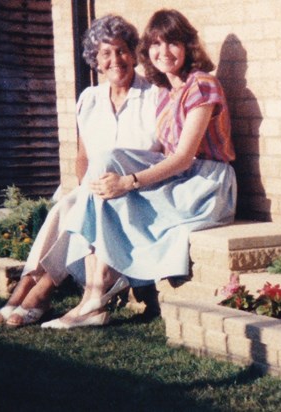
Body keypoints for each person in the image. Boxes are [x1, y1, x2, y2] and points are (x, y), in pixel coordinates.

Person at [40, 8, 237, 329]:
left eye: (173, 43)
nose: (164, 52)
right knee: (104, 167)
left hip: (205, 184)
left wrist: (128, 183)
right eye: (156, 45)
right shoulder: (167, 93)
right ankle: (93, 298)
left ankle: (90, 300)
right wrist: (114, 180)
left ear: (188, 46)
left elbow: (184, 157)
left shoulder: (201, 85)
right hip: (180, 180)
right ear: (148, 51)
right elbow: (157, 154)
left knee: (111, 188)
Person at [0, 14, 161, 327]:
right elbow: (83, 157)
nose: (115, 60)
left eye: (121, 50)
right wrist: (88, 192)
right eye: (105, 53)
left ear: (134, 52)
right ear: (95, 59)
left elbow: (160, 157)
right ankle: (31, 290)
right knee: (73, 202)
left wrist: (117, 186)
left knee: (71, 205)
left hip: (136, 196)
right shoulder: (89, 99)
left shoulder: (154, 97)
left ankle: (35, 291)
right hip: (96, 197)